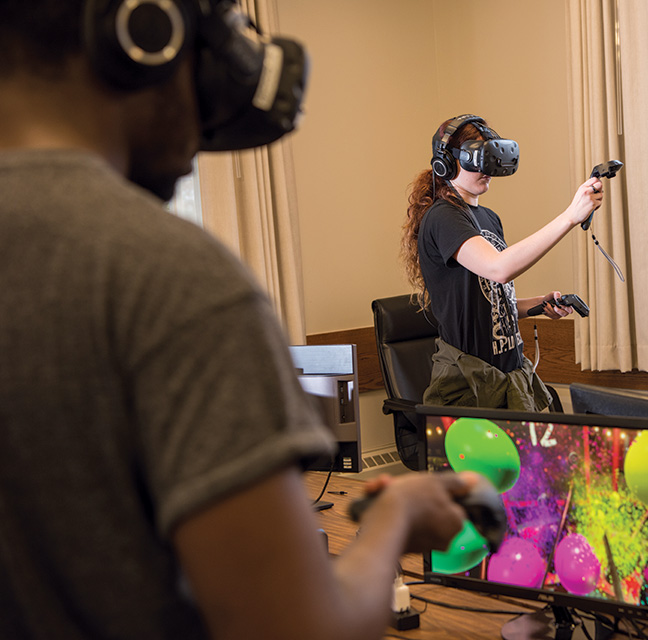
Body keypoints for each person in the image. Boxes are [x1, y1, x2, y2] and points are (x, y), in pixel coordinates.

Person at [0, 2, 472, 639]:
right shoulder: (167, 276)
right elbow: (299, 629)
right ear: (145, 34)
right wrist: (393, 522)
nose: (202, 125)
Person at [401, 115, 603, 411]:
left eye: (490, 159)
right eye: (476, 159)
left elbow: (493, 298)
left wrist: (539, 304)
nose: (486, 169)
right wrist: (570, 216)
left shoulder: (488, 218)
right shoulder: (443, 217)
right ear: (446, 162)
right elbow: (499, 268)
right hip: (468, 385)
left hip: (508, 377)